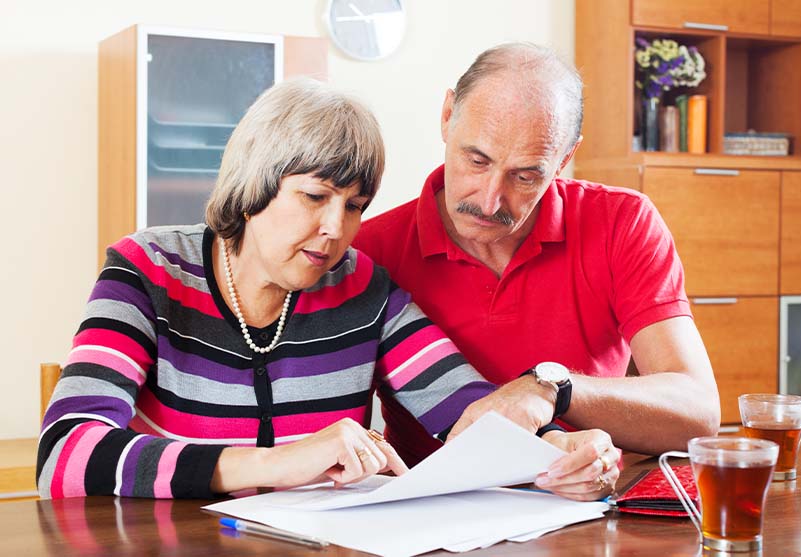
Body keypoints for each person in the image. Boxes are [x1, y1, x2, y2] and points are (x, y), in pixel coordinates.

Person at [37, 79, 619, 501]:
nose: (335, 230)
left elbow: (471, 415)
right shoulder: (148, 271)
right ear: (254, 183)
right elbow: (65, 453)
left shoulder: (363, 288)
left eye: (355, 207)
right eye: (315, 197)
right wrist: (277, 464)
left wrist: (559, 455)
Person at [353, 43, 721, 480]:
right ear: (447, 116)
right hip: (433, 515)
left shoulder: (622, 222)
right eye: (477, 160)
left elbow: (697, 412)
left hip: (583, 509)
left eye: (525, 176)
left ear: (565, 159)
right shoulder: (367, 250)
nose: (490, 201)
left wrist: (553, 388)